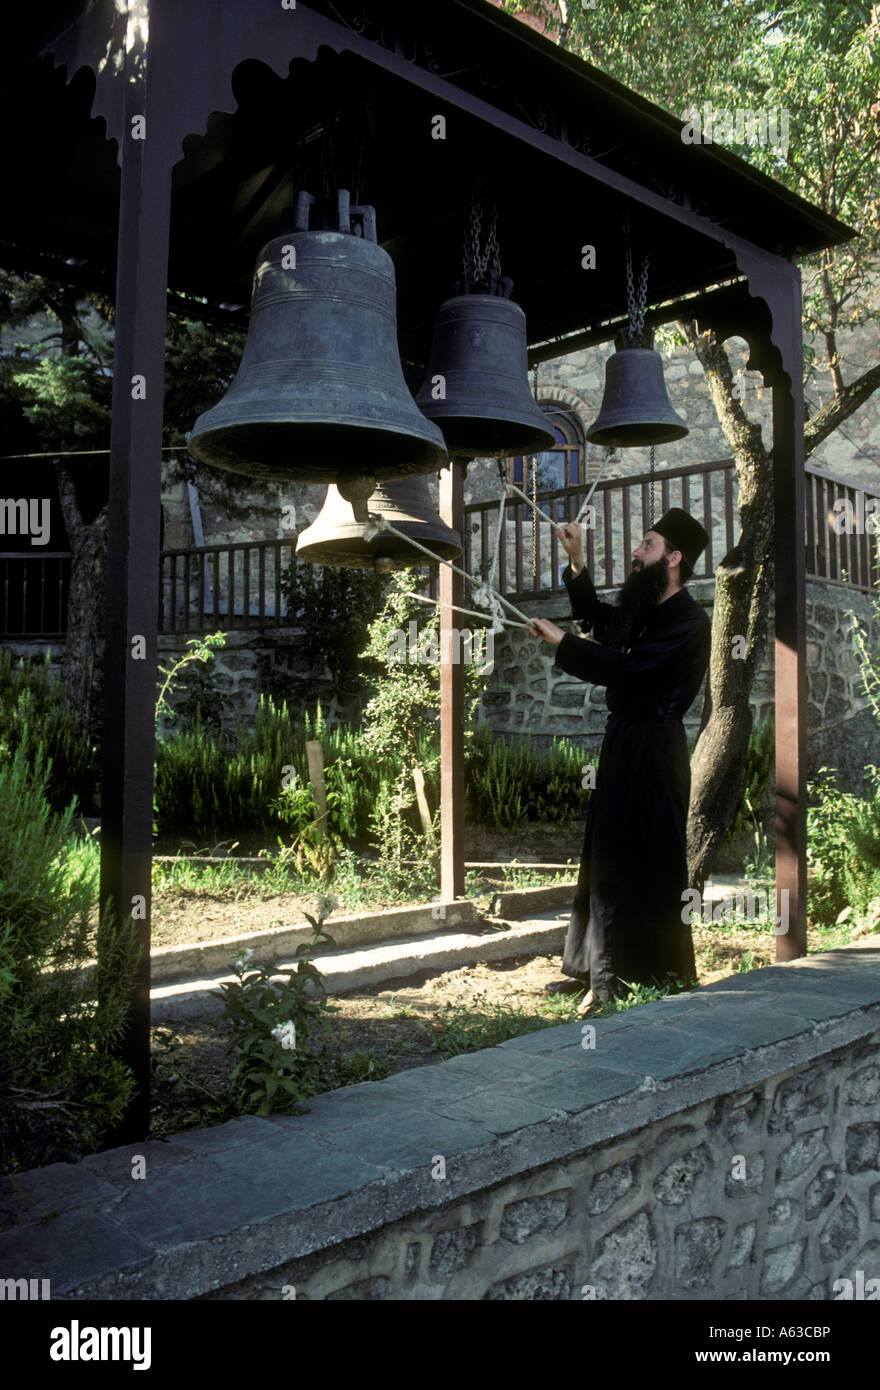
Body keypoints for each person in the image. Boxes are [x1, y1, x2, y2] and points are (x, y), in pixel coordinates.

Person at [528, 507, 711, 1015]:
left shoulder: (691, 621)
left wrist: (565, 644)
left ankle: (631, 974)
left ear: (673, 558)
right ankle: (591, 966)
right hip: (624, 739)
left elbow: (632, 670)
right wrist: (577, 561)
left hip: (655, 750)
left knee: (643, 857)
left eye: (646, 545)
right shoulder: (649, 607)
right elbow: (603, 625)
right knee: (604, 850)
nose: (636, 552)